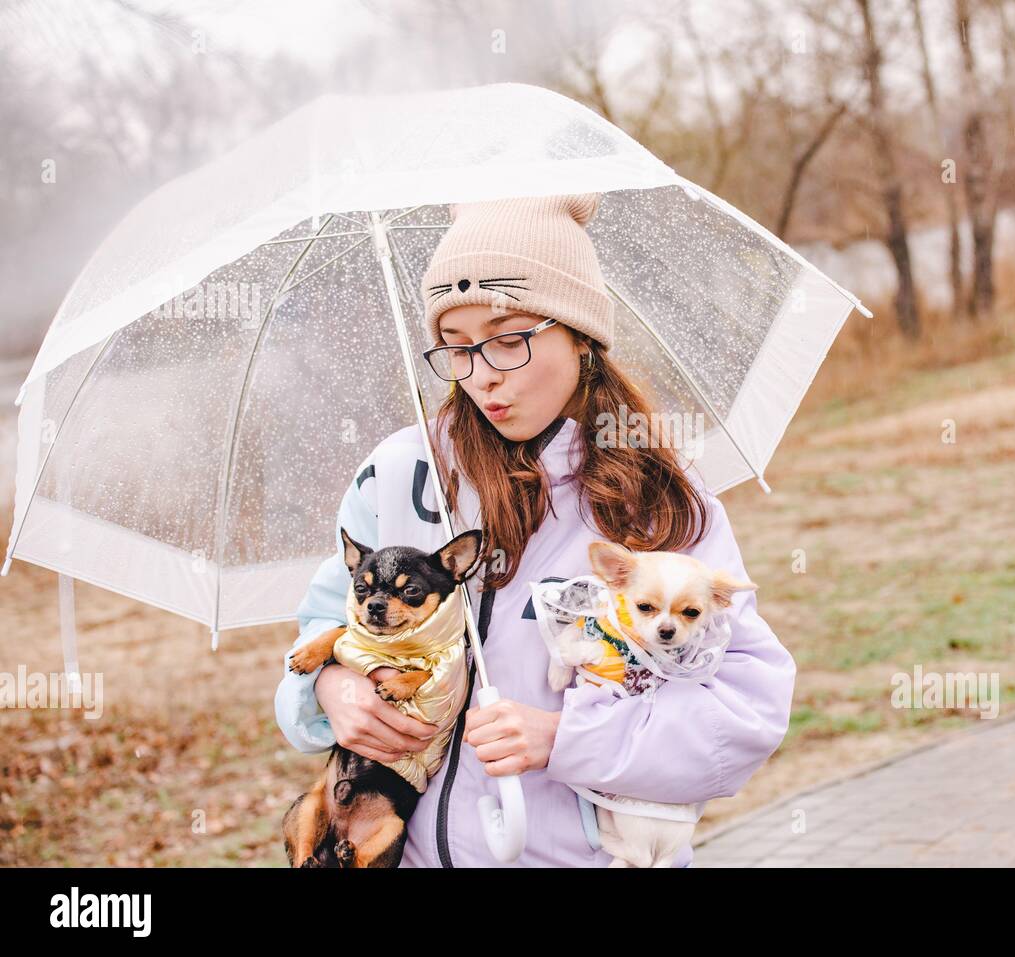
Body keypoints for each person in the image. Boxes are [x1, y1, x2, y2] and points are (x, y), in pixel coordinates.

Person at [273, 192, 796, 867]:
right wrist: (329, 690)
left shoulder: (653, 504)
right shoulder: (402, 471)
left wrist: (565, 737)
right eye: (456, 348)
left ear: (579, 333)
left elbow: (745, 712)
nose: (483, 375)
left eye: (510, 339)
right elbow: (320, 626)